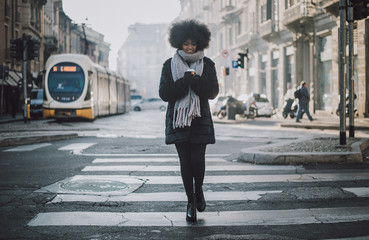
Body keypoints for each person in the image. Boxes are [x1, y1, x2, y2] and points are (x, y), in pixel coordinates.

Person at [159, 19, 219, 223]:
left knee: (198, 161)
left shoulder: (208, 64)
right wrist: (184, 83)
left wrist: (197, 81)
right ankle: (190, 202)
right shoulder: (169, 65)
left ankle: (199, 190)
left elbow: (212, 92)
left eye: (193, 44)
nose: (190, 47)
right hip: (178, 121)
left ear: (199, 43)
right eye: (186, 44)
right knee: (185, 163)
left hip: (200, 119)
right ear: (179, 44)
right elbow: (165, 94)